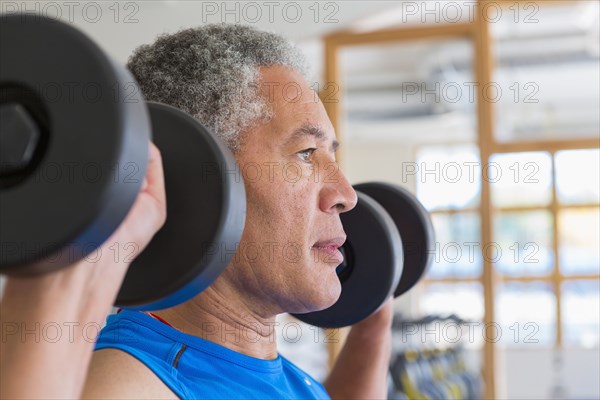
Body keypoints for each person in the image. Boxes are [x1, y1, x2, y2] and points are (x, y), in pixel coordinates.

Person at [1, 24, 392, 399]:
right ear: (200, 181)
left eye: (331, 156)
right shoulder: (128, 385)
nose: (346, 195)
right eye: (306, 153)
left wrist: (375, 321)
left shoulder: (287, 378)